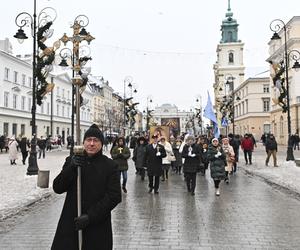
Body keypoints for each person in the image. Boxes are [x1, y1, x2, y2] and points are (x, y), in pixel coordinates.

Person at [51, 124, 121, 250]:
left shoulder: (110, 166)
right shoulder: (72, 161)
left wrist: (90, 216)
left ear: (102, 143)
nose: (92, 144)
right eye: (88, 140)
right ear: (83, 142)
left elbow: (114, 197)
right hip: (71, 223)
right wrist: (71, 168)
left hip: (97, 226)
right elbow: (58, 187)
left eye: (96, 140)